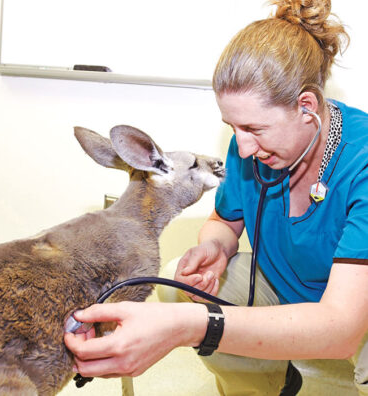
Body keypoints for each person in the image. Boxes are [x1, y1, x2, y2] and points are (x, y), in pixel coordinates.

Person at [64, 0, 368, 394]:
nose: (241, 148)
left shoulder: (360, 161)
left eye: (253, 128)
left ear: (307, 107)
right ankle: (268, 384)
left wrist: (186, 329)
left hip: (355, 310)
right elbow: (225, 221)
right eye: (233, 126)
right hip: (287, 290)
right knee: (180, 286)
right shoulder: (251, 146)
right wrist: (216, 246)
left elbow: (340, 327)